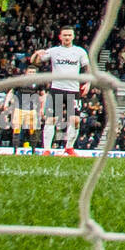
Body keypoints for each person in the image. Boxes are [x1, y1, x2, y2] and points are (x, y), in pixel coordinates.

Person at [29, 26, 90, 156]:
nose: (67, 37)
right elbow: (35, 63)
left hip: (73, 90)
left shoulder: (80, 52)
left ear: (73, 36)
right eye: (65, 35)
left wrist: (88, 83)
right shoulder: (54, 51)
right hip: (56, 89)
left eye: (69, 35)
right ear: (60, 37)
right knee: (51, 120)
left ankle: (69, 147)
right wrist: (36, 54)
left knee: (75, 121)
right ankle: (46, 150)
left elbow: (87, 68)